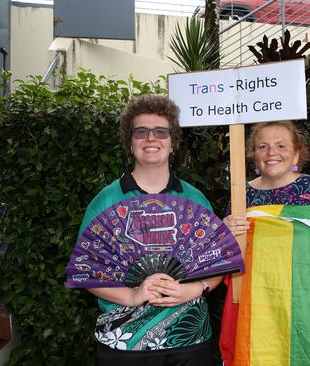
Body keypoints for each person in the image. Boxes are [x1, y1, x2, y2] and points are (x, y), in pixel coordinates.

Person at [73, 95, 222, 365]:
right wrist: (131, 295)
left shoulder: (195, 200)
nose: (151, 138)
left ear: (173, 142)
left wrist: (194, 290)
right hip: (122, 343)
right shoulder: (105, 201)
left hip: (189, 341)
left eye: (161, 132)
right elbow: (87, 270)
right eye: (141, 132)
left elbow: (218, 266)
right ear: (130, 143)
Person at [220, 121, 310, 366]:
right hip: (258, 307)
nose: (272, 153)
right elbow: (230, 253)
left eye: (281, 145)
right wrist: (224, 231)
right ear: (254, 155)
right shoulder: (241, 196)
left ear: (296, 153)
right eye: (263, 146)